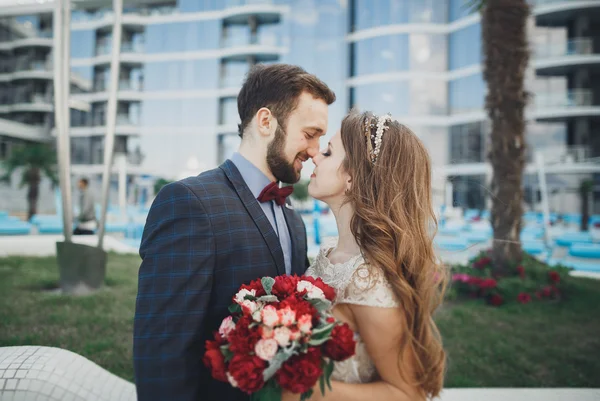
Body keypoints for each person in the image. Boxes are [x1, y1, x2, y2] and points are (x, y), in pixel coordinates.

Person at [133, 63, 336, 401]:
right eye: (310, 133)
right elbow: (161, 353)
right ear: (266, 121)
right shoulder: (189, 202)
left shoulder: (293, 218)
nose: (315, 150)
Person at [285, 110, 447, 401]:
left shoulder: (368, 281)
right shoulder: (329, 255)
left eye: (330, 152)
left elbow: (408, 394)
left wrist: (305, 393)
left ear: (353, 177)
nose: (315, 157)